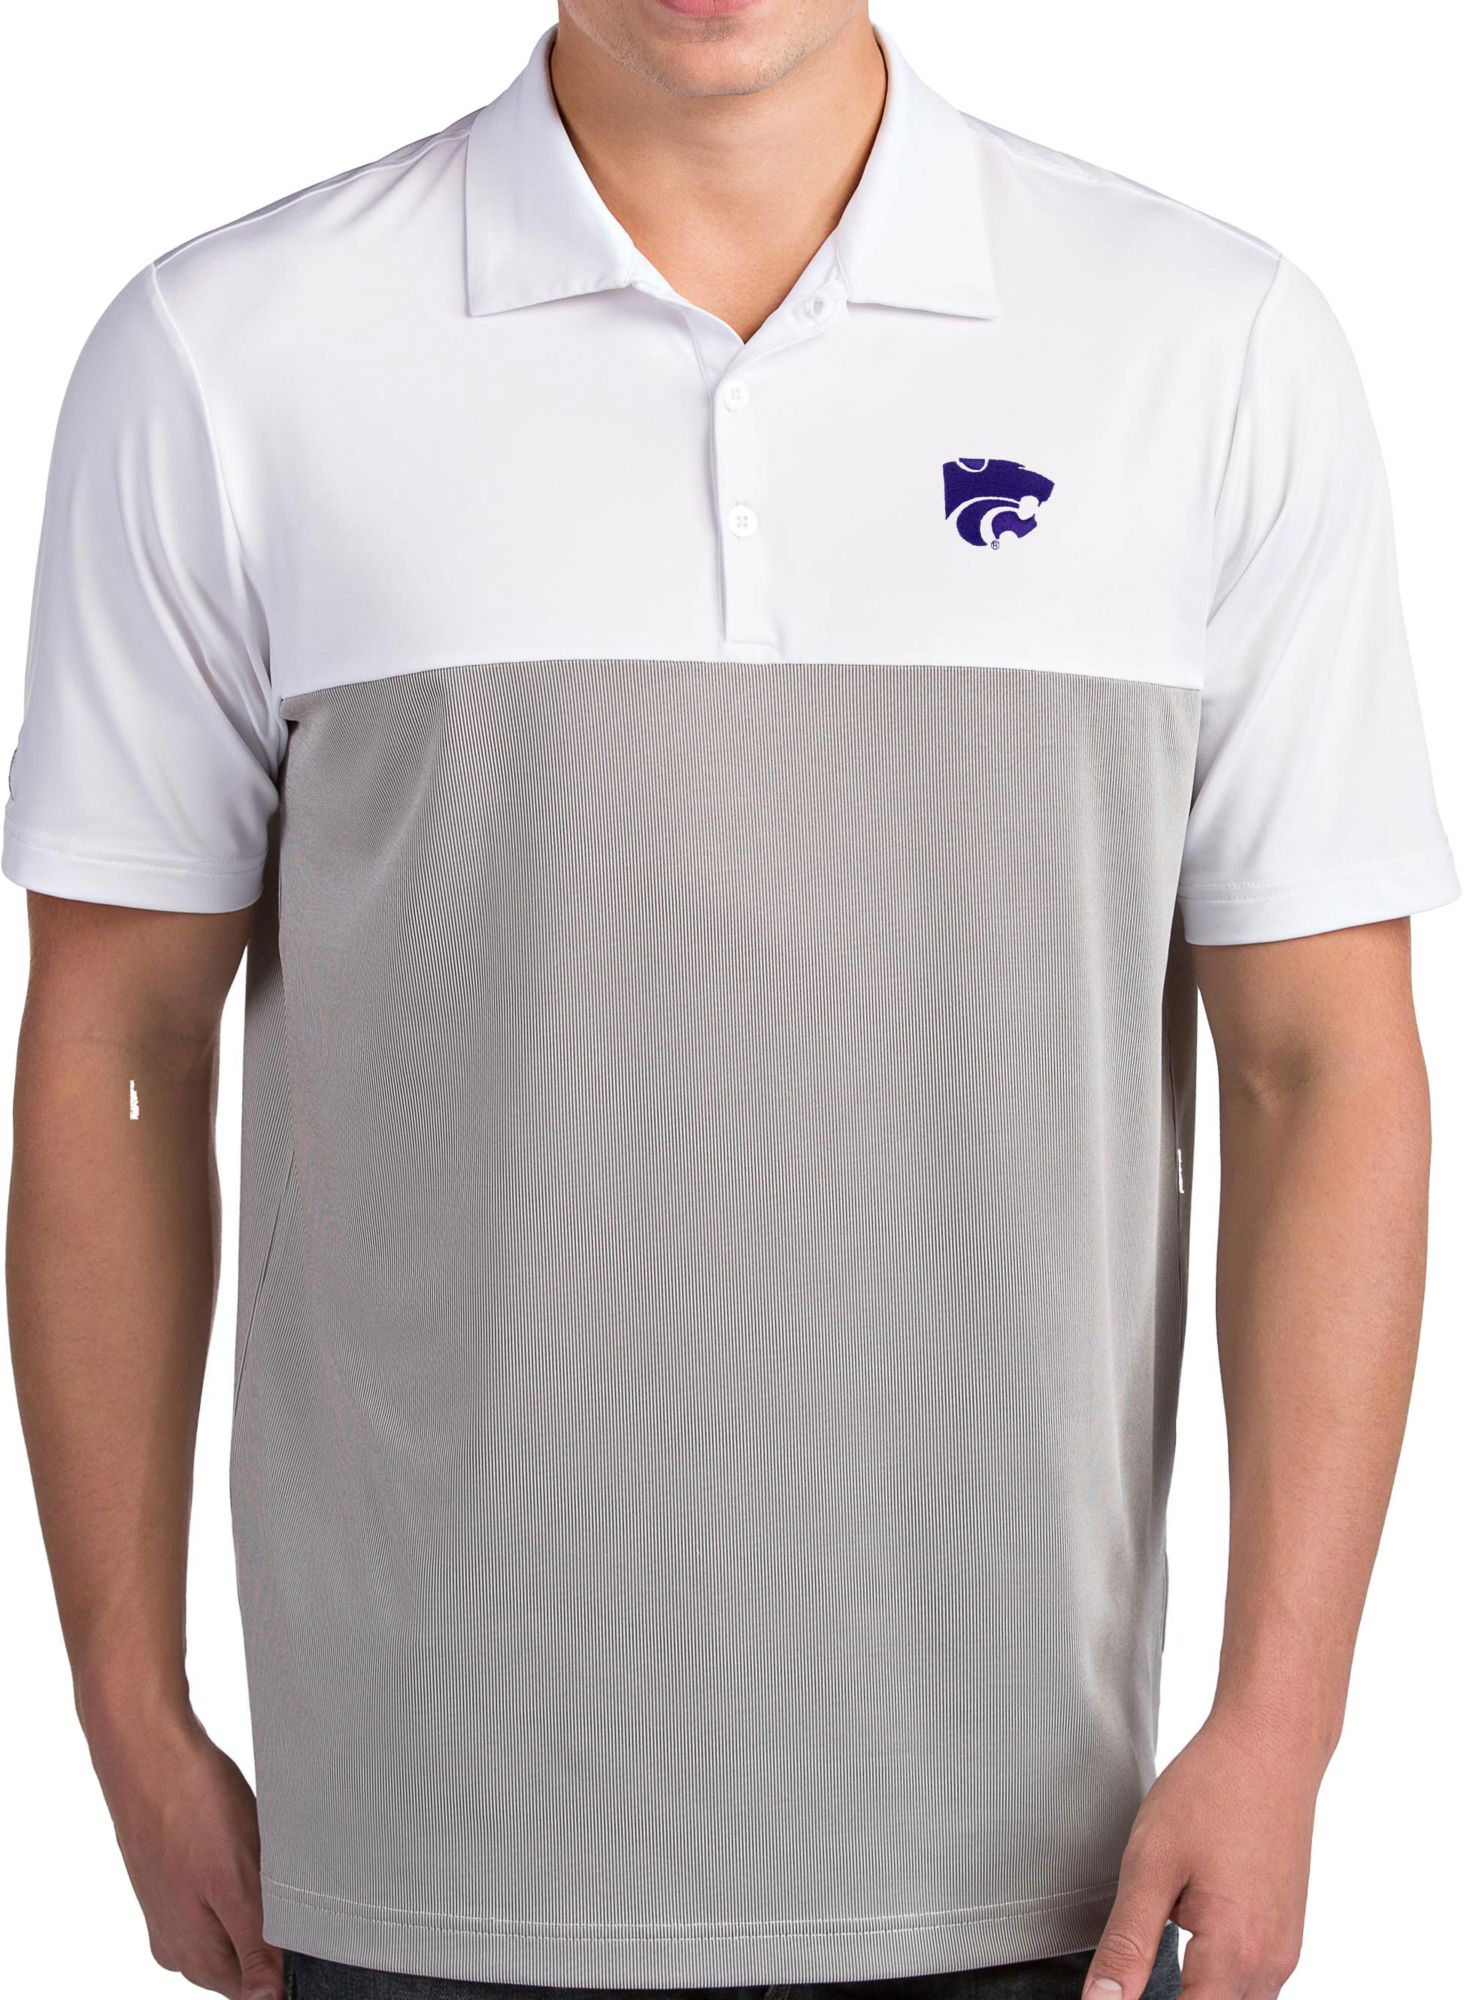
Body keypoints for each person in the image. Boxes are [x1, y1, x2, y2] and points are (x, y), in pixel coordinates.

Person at [4, 2, 1456, 1997]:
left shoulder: (1210, 345)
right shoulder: (225, 354)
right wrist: (124, 1704)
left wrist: (1283, 1721)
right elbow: (114, 1048)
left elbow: (1321, 1066)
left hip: (1040, 1864)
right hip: (417, 1846)